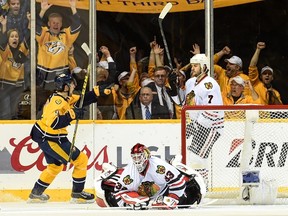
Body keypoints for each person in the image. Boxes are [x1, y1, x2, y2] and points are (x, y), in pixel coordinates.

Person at [28, 72, 109, 203]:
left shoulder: (65, 97)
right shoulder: (57, 101)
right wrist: (71, 115)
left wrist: (97, 92)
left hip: (49, 137)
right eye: (71, 83)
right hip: (50, 139)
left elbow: (81, 99)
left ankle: (36, 194)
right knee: (81, 160)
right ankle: (77, 194)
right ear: (65, 87)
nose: (73, 86)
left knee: (55, 166)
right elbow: (53, 123)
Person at [95, 143, 206, 209]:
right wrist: (131, 203)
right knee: (103, 201)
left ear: (147, 155)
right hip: (145, 196)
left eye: (140, 156)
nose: (137, 160)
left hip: (165, 191)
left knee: (193, 194)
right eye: (135, 157)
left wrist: (173, 198)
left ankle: (175, 164)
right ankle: (112, 171)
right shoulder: (129, 174)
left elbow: (178, 182)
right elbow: (119, 193)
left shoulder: (159, 167)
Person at [184, 53, 224, 189]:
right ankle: (201, 186)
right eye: (192, 65)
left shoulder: (209, 84)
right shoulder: (192, 83)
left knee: (198, 157)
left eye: (196, 66)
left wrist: (197, 125)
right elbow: (185, 105)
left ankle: (202, 187)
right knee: (196, 157)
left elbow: (213, 109)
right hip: (200, 126)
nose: (192, 68)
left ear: (204, 67)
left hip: (212, 127)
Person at [36, 0, 81, 90]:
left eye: (58, 23)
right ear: (49, 24)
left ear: (61, 24)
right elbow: (35, 26)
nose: (56, 25)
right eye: (53, 23)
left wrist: (73, 7)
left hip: (61, 74)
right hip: (43, 74)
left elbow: (77, 25)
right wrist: (42, 10)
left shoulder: (66, 35)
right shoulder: (44, 33)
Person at [0, 12, 30, 119]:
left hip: (18, 87)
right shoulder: (5, 50)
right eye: (12, 36)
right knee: (5, 113)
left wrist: (30, 21)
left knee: (15, 113)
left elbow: (28, 37)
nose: (14, 38)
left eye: (16, 36)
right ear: (8, 39)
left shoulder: (22, 50)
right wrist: (4, 25)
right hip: (5, 87)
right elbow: (2, 41)